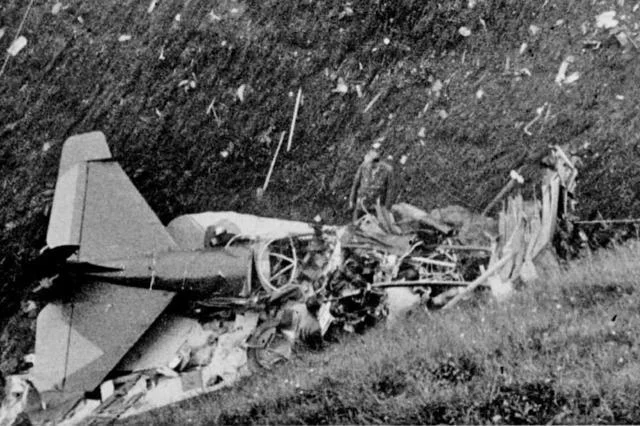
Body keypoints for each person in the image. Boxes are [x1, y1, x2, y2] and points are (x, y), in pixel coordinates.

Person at [348, 144, 395, 222]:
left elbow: (390, 190)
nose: (367, 165)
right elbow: (355, 184)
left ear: (376, 162)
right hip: (361, 204)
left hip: (377, 206)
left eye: (369, 163)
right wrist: (351, 200)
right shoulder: (363, 167)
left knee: (376, 229)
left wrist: (387, 207)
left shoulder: (388, 170)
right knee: (355, 226)